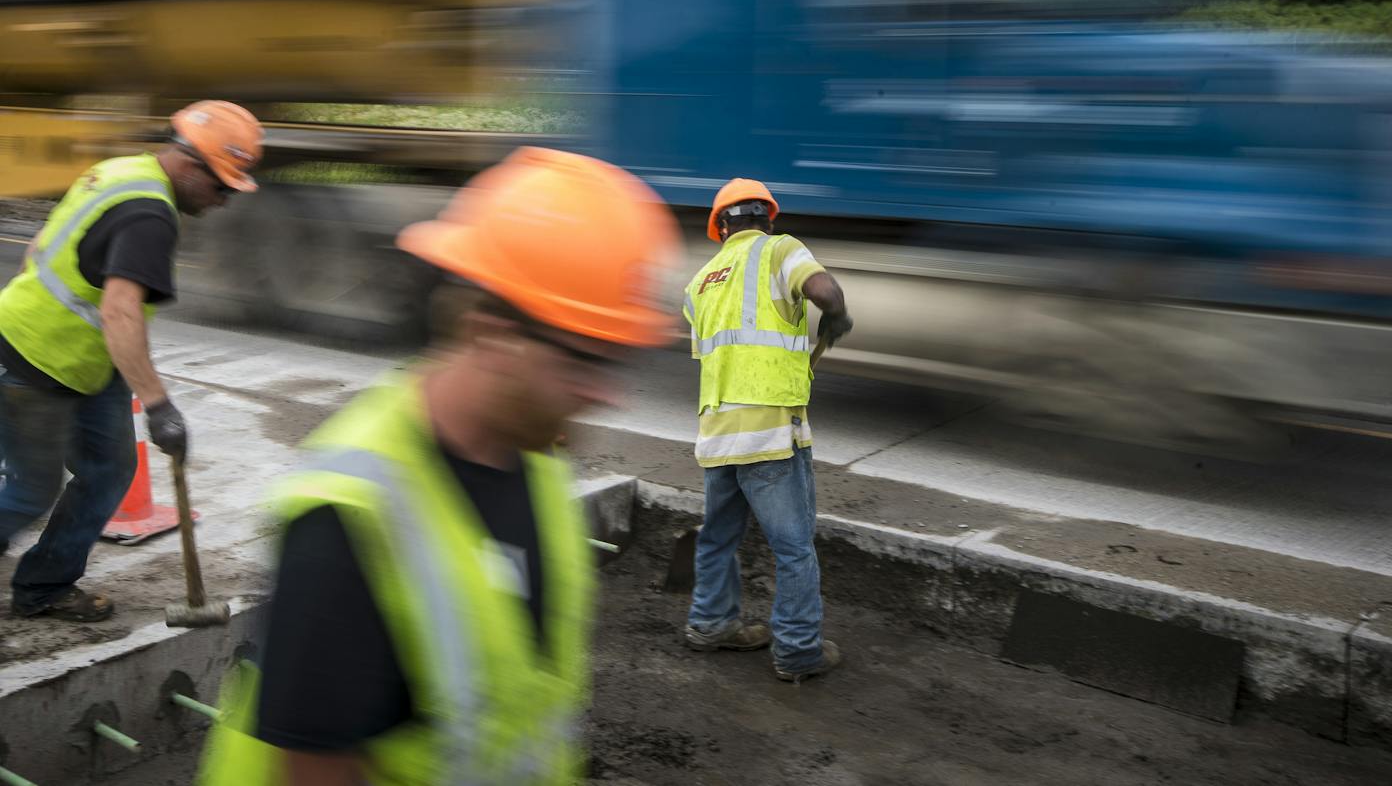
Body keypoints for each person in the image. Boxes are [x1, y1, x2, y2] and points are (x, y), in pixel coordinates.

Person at [197, 146, 683, 786]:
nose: (607, 393)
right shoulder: (348, 520)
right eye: (581, 360)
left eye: (612, 361)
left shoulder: (533, 460)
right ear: (490, 334)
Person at [0, 100, 262, 621]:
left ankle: (44, 585)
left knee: (111, 468)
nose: (225, 200)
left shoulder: (122, 171)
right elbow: (122, 313)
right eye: (222, 186)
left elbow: (40, 247)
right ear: (190, 165)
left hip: (86, 364)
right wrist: (159, 406)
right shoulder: (148, 216)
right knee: (32, 490)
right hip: (34, 358)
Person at [682, 178, 852, 682]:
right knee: (794, 548)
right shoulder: (780, 250)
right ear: (768, 218)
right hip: (770, 430)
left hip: (717, 433)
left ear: (720, 228)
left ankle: (710, 624)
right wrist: (837, 316)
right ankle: (798, 651)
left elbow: (715, 356)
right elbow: (825, 290)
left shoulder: (699, 281)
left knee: (717, 537)